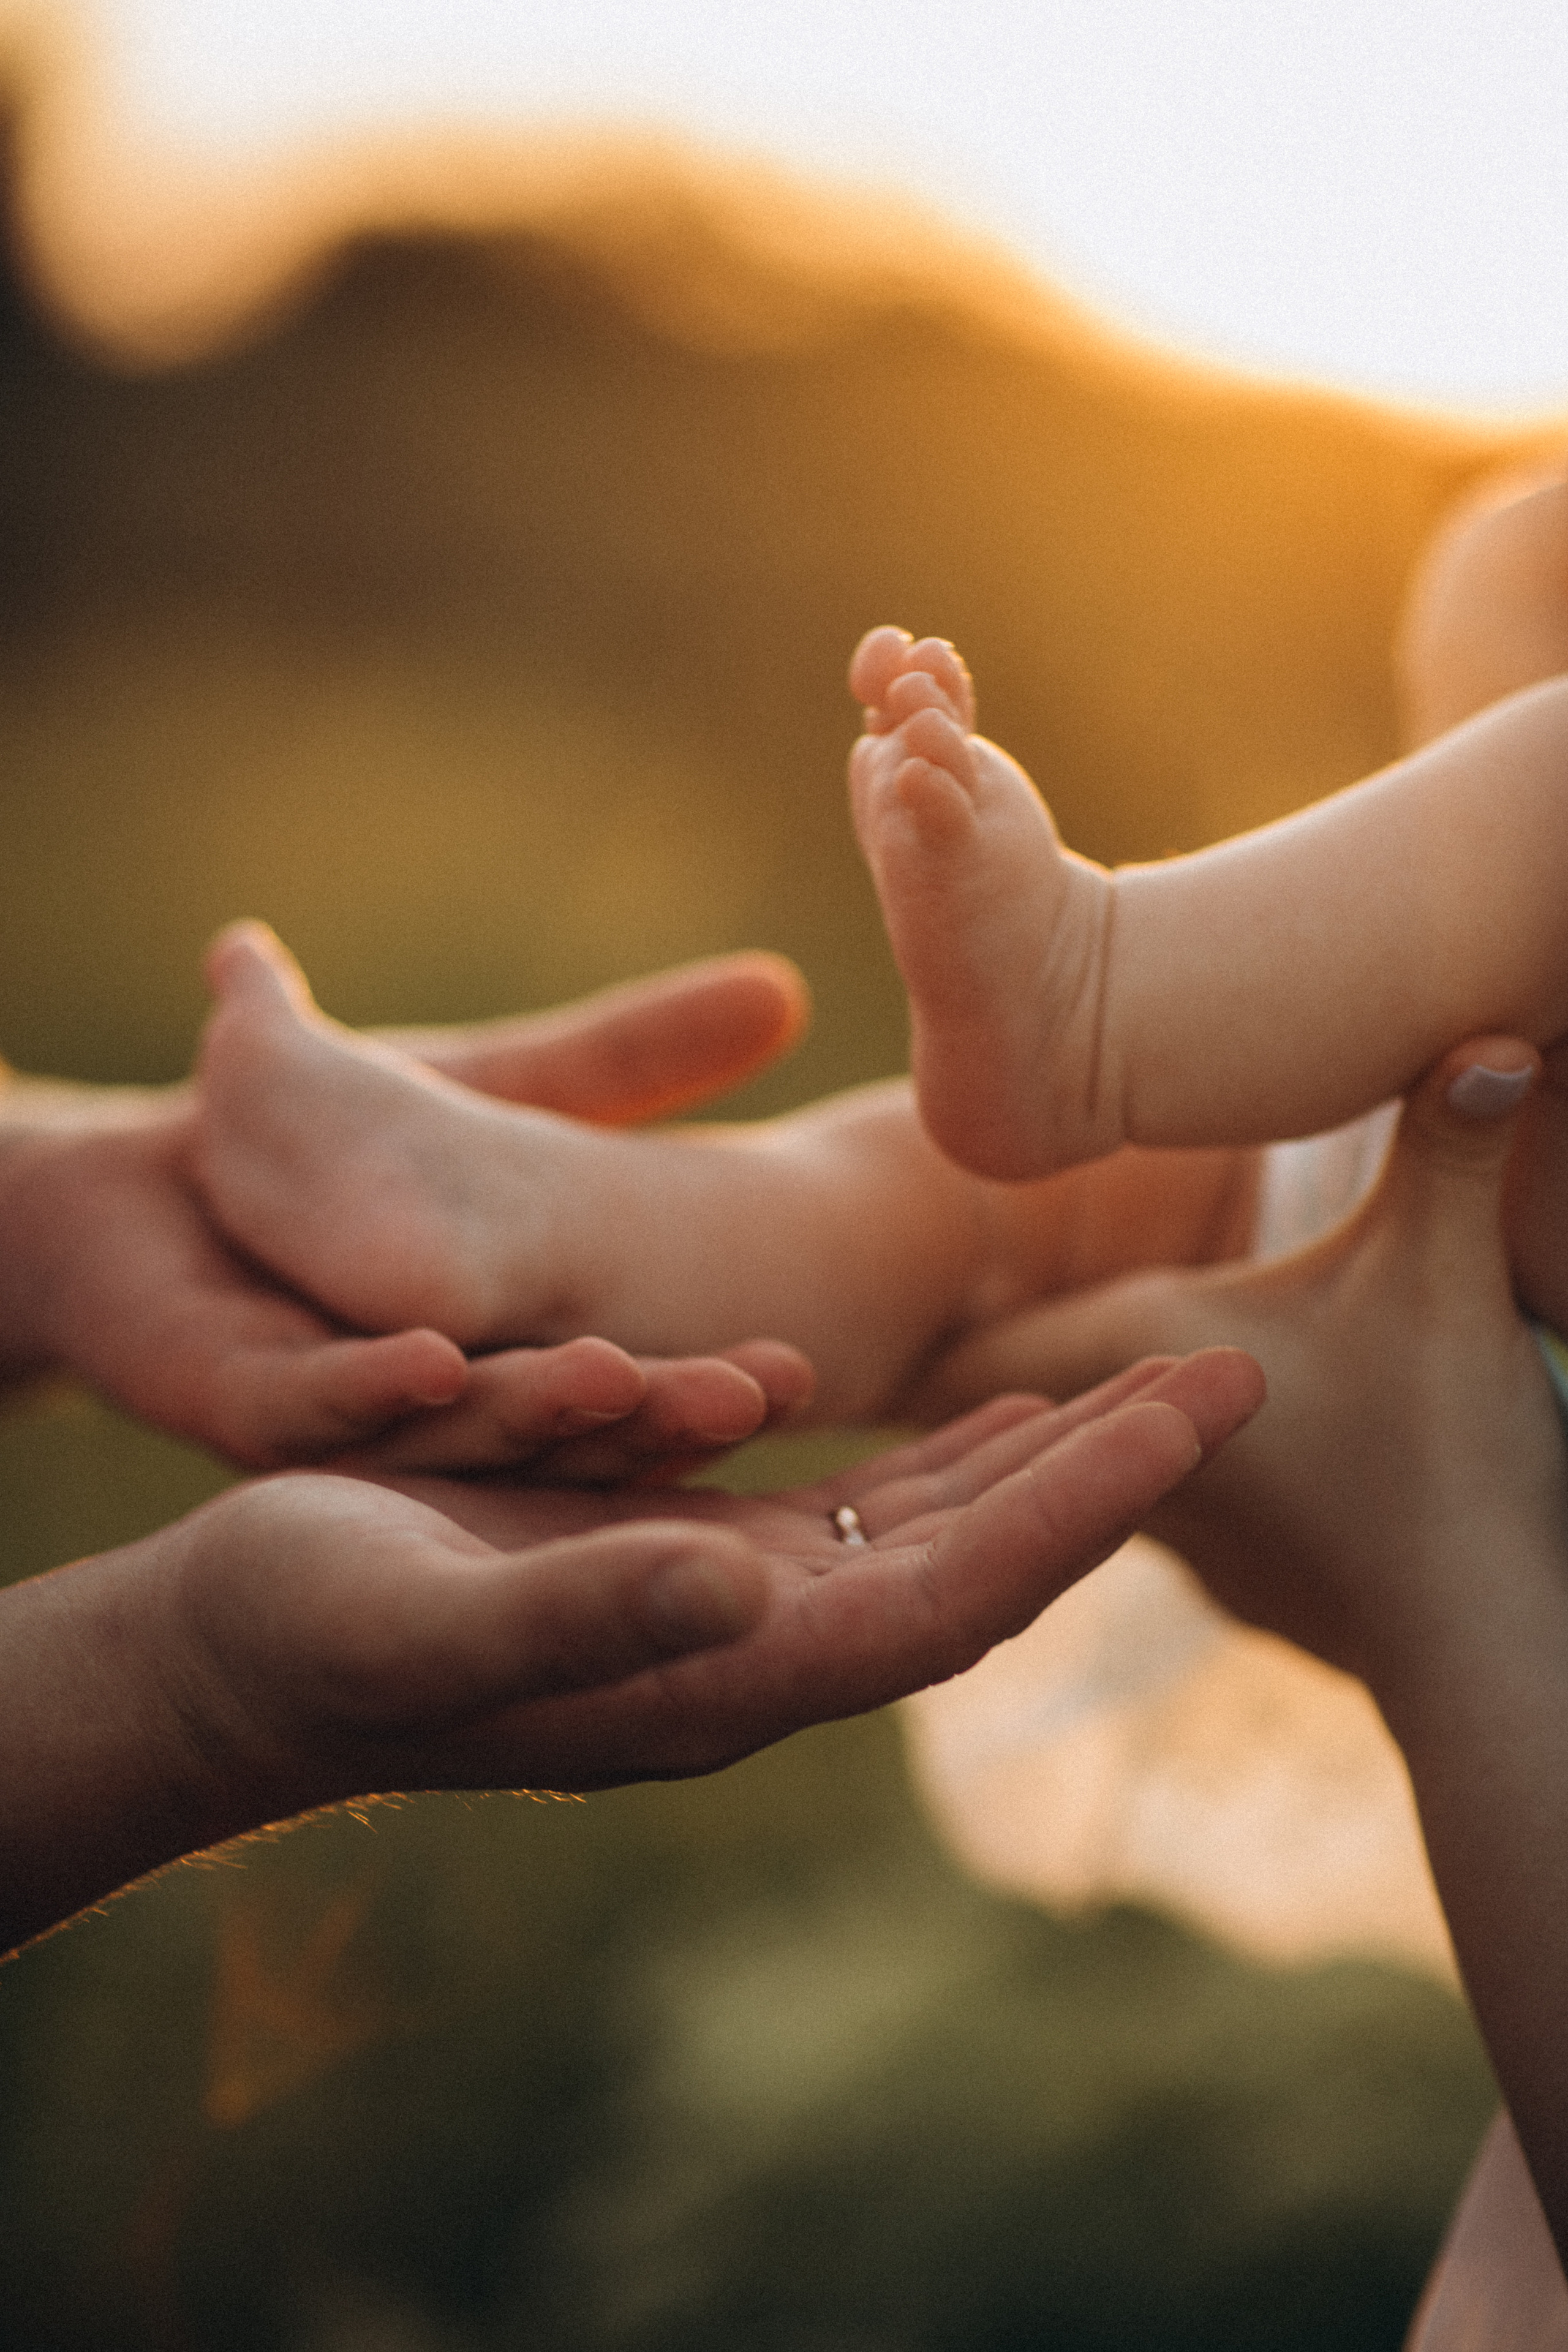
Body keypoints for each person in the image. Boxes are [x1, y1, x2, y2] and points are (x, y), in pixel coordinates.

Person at [843, 614, 1568, 1357]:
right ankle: (727, 1230)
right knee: (887, 1204)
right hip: (1323, 1110)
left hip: (1455, 1212)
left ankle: (1097, 1001)